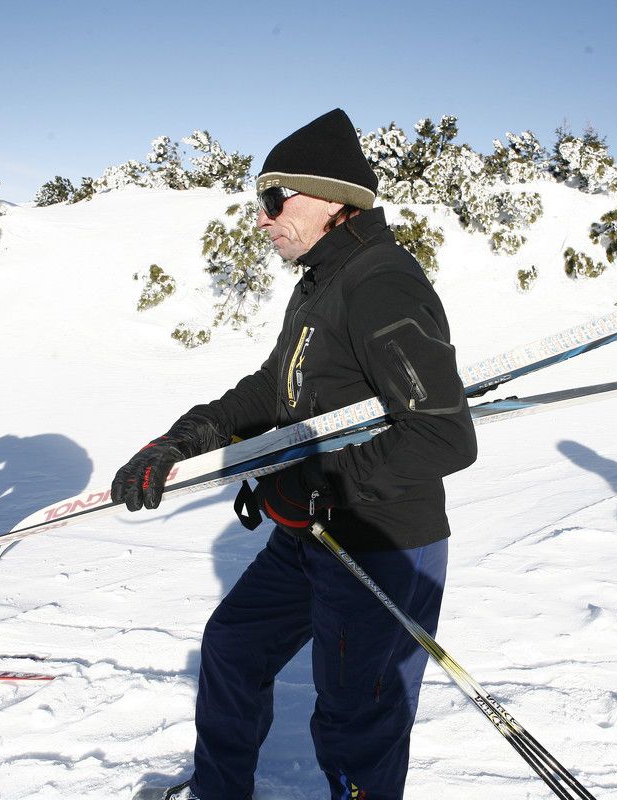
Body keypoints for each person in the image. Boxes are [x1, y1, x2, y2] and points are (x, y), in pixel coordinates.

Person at [113, 109, 477, 800]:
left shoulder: (381, 285)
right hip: (313, 530)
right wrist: (181, 440)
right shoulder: (322, 281)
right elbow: (273, 388)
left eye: (275, 199)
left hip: (380, 544)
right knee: (233, 647)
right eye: (261, 200)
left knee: (355, 723)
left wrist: (318, 485)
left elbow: (442, 433)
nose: (262, 218)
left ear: (332, 200)